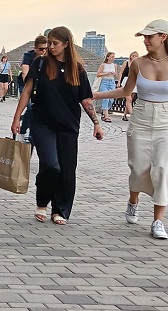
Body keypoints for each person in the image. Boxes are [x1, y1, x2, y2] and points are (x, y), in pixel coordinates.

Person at [11, 26, 103, 225]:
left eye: (55, 44)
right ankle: (42, 202)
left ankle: (59, 209)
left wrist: (97, 124)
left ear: (66, 44)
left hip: (68, 125)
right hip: (42, 122)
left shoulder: (77, 69)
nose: (50, 48)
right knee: (51, 165)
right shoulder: (40, 64)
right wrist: (17, 118)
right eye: (49, 43)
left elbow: (86, 100)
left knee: (67, 169)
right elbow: (27, 91)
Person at [94, 19, 168, 239]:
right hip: (141, 117)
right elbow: (126, 90)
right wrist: (96, 95)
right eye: (144, 37)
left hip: (166, 120)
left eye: (149, 36)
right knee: (138, 167)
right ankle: (133, 201)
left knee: (162, 169)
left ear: (163, 36)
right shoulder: (137, 63)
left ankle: (158, 221)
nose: (145, 41)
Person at [19, 36, 50, 140]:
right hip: (26, 83)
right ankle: (23, 130)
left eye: (46, 48)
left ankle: (32, 134)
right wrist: (29, 84)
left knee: (34, 107)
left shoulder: (49, 57)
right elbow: (25, 71)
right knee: (29, 106)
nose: (44, 51)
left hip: (39, 85)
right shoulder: (29, 55)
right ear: (35, 48)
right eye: (41, 49)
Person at [96, 52, 118, 122]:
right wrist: (106, 73)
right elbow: (98, 74)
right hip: (104, 82)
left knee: (111, 99)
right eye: (111, 57)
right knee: (106, 98)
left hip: (111, 82)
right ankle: (106, 116)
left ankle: (104, 111)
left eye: (114, 57)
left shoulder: (114, 65)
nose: (113, 58)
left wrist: (114, 74)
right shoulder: (103, 65)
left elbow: (116, 74)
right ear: (108, 57)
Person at [118, 51, 139, 120]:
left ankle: (124, 115)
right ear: (130, 56)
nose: (134, 57)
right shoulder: (126, 63)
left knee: (130, 100)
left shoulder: (138, 64)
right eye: (133, 55)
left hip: (134, 82)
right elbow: (121, 73)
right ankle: (133, 116)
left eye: (136, 56)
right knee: (129, 99)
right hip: (126, 81)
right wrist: (119, 82)